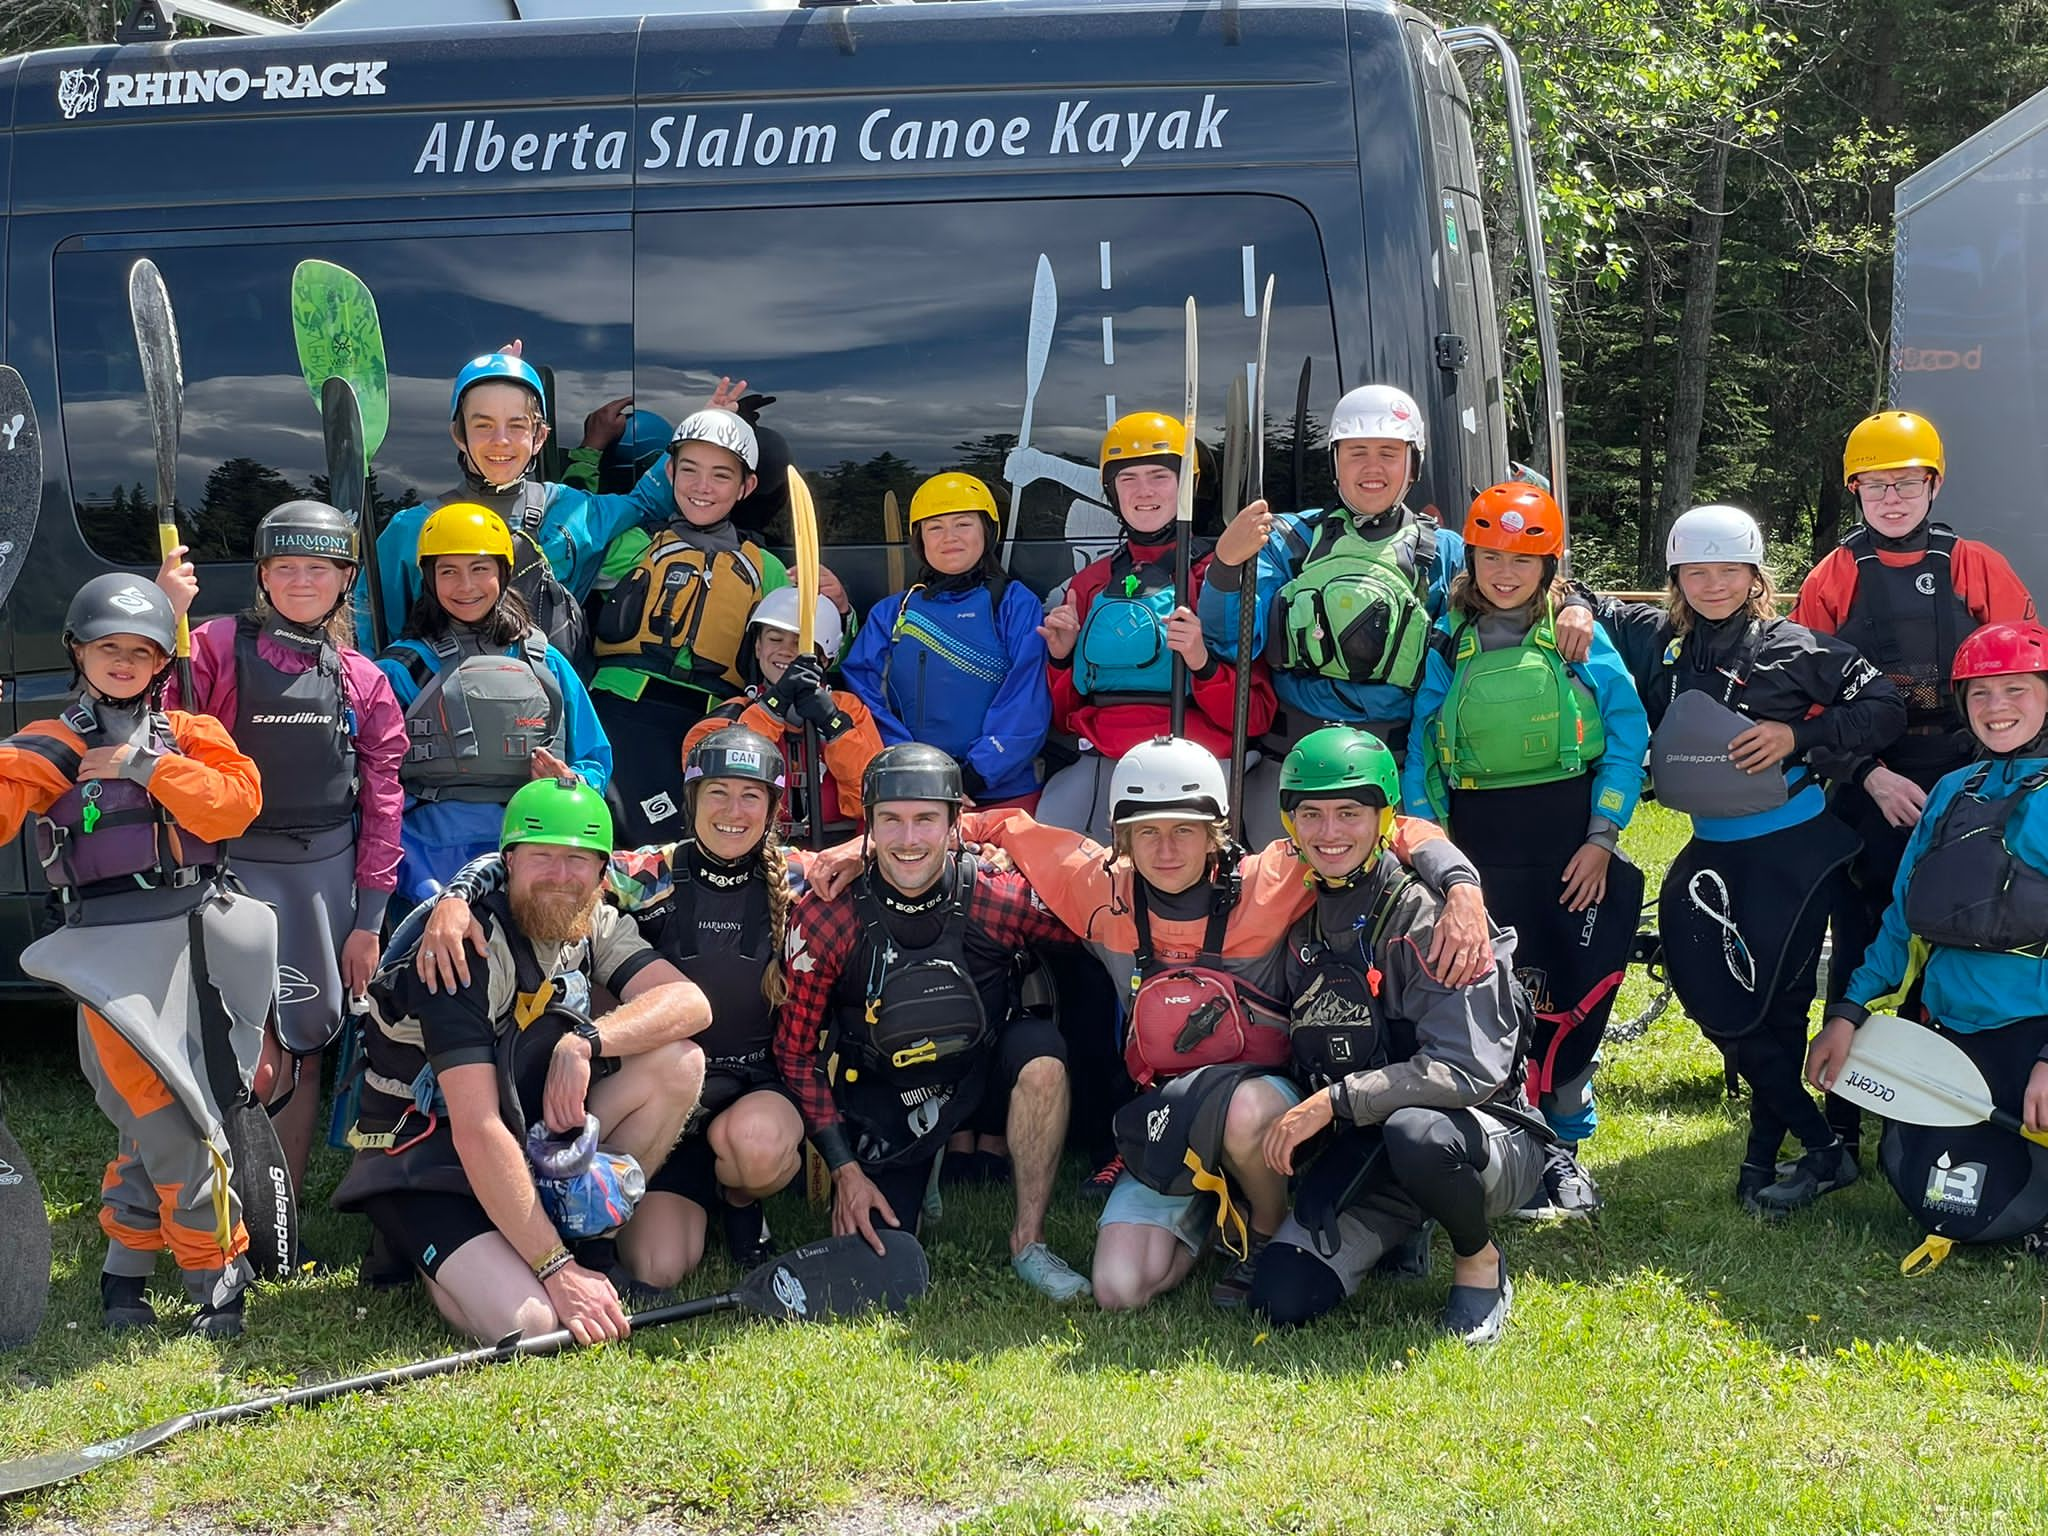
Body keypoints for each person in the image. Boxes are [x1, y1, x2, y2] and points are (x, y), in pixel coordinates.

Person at [854, 736, 1493, 1311]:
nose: (1165, 848)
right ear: (1121, 838)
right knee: (1118, 1288)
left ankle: (1264, 1234)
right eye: (1147, 830)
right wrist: (846, 857)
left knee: (1244, 1112)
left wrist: (1462, 886)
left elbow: (1385, 828)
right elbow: (982, 826)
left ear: (1215, 833)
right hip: (1167, 1116)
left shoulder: (1271, 879)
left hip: (1266, 1107)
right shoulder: (1097, 887)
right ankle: (1218, 1218)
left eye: (1185, 830)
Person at [1594, 504, 1905, 1217]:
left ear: (1754, 576)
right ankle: (1821, 1148)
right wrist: (1579, 615)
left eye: (1727, 571)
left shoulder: (1794, 647)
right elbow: (1577, 595)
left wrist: (1795, 736)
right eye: (1695, 572)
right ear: (1675, 578)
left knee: (1780, 1009)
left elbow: (1883, 707)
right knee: (1717, 997)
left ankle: (1763, 1160)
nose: (1712, 584)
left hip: (1795, 849)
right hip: (1714, 848)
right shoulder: (1662, 643)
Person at [412, 725, 805, 1284]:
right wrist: (454, 897)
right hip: (664, 1097)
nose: (732, 811)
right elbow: (549, 863)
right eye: (717, 792)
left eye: (750, 796)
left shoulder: (797, 876)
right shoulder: (647, 873)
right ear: (691, 799)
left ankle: (741, 1203)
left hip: (750, 1093)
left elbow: (879, 856)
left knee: (755, 1147)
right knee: (656, 1267)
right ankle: (614, 1217)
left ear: (771, 807)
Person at [332, 777, 711, 1342]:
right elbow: (476, 1127)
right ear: (508, 862)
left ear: (603, 873)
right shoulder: (462, 949)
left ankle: (582, 1236)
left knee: (678, 1062)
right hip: (429, 1158)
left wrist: (586, 1041)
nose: (561, 877)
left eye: (578, 860)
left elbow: (690, 1002)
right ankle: (433, 1249)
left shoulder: (592, 919)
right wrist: (556, 1275)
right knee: (532, 1325)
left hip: (522, 1133)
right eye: (542, 857)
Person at [0, 576, 269, 1336]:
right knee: (168, 1115)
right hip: (107, 952)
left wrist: (141, 768)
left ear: (161, 663)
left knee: (168, 1112)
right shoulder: (53, 744)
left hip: (200, 936)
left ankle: (123, 1279)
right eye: (108, 648)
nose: (123, 662)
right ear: (78, 653)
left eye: (140, 651)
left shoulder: (190, 734)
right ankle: (215, 1275)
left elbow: (236, 804)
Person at [1400, 481, 1649, 1217]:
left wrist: (1603, 839)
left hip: (1569, 841)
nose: (1505, 573)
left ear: (1550, 565)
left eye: (1523, 558)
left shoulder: (1577, 632)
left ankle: (1566, 1150)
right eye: (1489, 557)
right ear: (1469, 557)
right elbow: (1423, 754)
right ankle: (1513, 1140)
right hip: (1480, 846)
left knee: (1572, 994)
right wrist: (1438, 860)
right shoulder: (1447, 636)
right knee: (1494, 1000)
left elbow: (1626, 733)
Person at [1250, 728, 1545, 1344]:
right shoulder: (1290, 903)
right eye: (1312, 814)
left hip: (1474, 1130)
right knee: (1283, 1297)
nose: (1329, 833)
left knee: (1417, 1134)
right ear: (1289, 822)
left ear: (1384, 817)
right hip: (1365, 1143)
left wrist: (1334, 1101)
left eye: (1349, 814)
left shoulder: (1432, 916)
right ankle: (1404, 1225)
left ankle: (1479, 1259)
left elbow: (1466, 1071)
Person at [1792, 410, 2035, 1154]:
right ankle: (1839, 1124)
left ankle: (1952, 1093)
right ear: (1855, 491)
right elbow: (1807, 701)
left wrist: (1981, 785)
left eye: (1906, 483)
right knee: (1864, 929)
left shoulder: (1977, 566)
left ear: (1932, 485)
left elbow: (2017, 676)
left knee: (1971, 924)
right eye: (1875, 486)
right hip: (1871, 778)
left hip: (1973, 776)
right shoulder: (1833, 576)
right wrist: (1869, 777)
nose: (1891, 499)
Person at [1203, 385, 1595, 846]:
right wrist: (1227, 567)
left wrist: (1575, 603)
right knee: (1280, 907)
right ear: (1335, 462)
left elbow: (1516, 587)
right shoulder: (1289, 541)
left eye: (1389, 453)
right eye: (1357, 453)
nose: (1373, 468)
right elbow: (1231, 641)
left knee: (1397, 908)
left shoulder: (1444, 550)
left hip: (1396, 767)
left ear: (1413, 464)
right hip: (1292, 763)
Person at [773, 743, 1092, 1301]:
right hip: (887, 1090)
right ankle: (924, 1169)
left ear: (953, 825)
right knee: (880, 1256)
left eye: (926, 819)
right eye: (891, 821)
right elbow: (796, 1053)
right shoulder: (825, 916)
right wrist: (845, 1170)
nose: (909, 839)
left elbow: (1086, 926)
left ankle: (1030, 1242)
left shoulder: (998, 895)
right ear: (867, 826)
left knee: (1043, 1059)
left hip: (981, 1072)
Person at [154, 502, 407, 1188]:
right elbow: (157, 718)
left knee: (306, 1044)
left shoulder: (363, 680)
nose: (301, 581)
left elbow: (383, 804)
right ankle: (216, 1209)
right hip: (233, 869)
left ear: (344, 579)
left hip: (322, 881)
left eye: (318, 568)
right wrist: (160, 611)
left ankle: (280, 1212)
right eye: (285, 567)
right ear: (262, 575)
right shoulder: (209, 646)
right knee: (248, 1054)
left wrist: (369, 923)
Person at [1807, 620, 2048, 1261]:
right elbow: (1902, 920)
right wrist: (1848, 1013)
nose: (1997, 709)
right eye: (1980, 695)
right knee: (1935, 1184)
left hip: (2034, 1026)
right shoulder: (1951, 791)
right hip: (1948, 1024)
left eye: (2016, 690)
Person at [1035, 412, 1275, 841]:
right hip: (1105, 761)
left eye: (1159, 476)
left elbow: (1254, 717)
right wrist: (1061, 657)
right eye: (1128, 479)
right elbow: (1066, 716)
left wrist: (1201, 663)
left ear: (1189, 487)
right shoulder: (1090, 584)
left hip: (1195, 760)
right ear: (1112, 493)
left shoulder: (1218, 578)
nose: (1144, 491)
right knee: (1049, 834)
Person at [361, 352, 694, 657]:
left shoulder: (572, 511)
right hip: (442, 709)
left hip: (543, 708)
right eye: (483, 424)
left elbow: (645, 502)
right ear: (459, 435)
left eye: (516, 425)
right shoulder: (411, 530)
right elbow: (369, 631)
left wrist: (697, 438)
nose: (501, 440)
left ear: (540, 437)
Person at [378, 503, 612, 909]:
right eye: (448, 571)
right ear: (429, 580)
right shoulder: (402, 668)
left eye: (479, 568)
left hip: (532, 846)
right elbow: (373, 778)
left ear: (503, 573)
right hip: (426, 857)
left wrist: (572, 781)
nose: (465, 585)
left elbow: (594, 758)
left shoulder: (545, 662)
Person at [588, 409, 791, 847]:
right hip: (622, 711)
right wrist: (587, 458)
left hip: (713, 724)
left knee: (695, 847)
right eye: (690, 471)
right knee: (632, 839)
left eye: (720, 475)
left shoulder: (766, 569)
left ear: (746, 487)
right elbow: (563, 550)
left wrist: (843, 612)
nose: (702, 487)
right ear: (670, 471)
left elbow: (812, 646)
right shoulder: (632, 544)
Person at [841, 471, 1052, 811]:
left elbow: (1026, 699)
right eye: (934, 527)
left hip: (1001, 791)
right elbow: (864, 699)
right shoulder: (891, 614)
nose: (949, 537)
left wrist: (973, 775)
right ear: (920, 540)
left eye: (963, 524)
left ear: (987, 531)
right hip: (913, 792)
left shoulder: (1014, 603)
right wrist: (912, 768)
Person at [683, 587, 883, 850]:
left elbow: (872, 797)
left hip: (837, 852)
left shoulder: (850, 711)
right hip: (754, 850)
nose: (786, 652)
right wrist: (772, 708)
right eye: (775, 639)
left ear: (826, 656)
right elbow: (710, 777)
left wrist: (834, 725)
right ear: (757, 647)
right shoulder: (727, 717)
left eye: (800, 644)